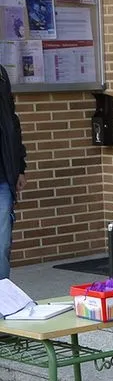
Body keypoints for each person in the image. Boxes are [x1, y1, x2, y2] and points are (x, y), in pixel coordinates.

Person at [0, 64, 26, 280]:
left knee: (2, 244)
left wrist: (20, 167)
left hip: (3, 178)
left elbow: (12, 124)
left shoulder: (0, 74)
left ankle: (3, 301)